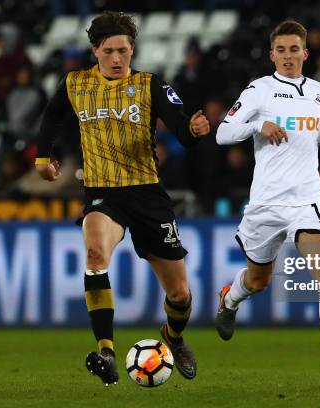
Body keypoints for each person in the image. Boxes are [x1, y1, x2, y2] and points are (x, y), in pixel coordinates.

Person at [34, 11, 210, 385]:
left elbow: (179, 125)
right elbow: (50, 117)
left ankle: (173, 337)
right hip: (103, 194)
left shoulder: (150, 85)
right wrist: (41, 157)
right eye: (110, 51)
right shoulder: (75, 84)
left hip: (148, 194)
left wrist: (192, 131)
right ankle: (106, 351)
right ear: (95, 50)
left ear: (133, 51)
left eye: (124, 51)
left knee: (179, 295)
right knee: (96, 255)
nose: (118, 59)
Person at [214, 20, 320, 386]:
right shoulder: (258, 91)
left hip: (307, 199)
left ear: (305, 53)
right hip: (266, 204)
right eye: (281, 50)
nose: (288, 56)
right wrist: (257, 127)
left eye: (295, 49)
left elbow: (305, 135)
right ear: (272, 55)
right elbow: (222, 133)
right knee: (258, 281)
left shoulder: (319, 93)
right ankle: (231, 298)